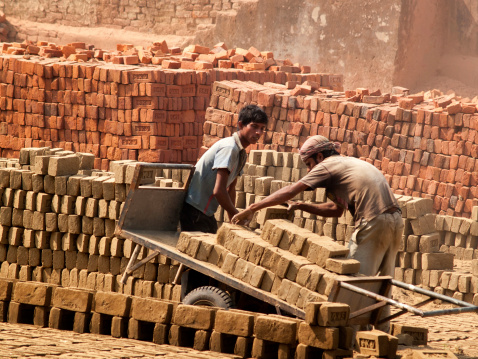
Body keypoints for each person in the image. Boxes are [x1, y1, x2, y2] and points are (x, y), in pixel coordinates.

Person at [232, 134, 403, 279]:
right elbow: (335, 210)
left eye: (308, 164)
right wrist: (300, 206)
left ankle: (354, 319)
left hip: (374, 221)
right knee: (384, 284)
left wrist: (252, 208)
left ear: (320, 157)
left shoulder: (327, 165)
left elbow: (291, 190)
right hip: (396, 220)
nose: (308, 170)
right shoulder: (347, 163)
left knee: (354, 280)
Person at [180, 104, 268, 234]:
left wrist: (233, 219)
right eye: (254, 126)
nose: (258, 132)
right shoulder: (229, 148)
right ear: (240, 125)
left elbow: (231, 189)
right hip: (194, 210)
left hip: (206, 212)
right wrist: (237, 214)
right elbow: (219, 191)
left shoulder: (241, 153)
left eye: (262, 128)